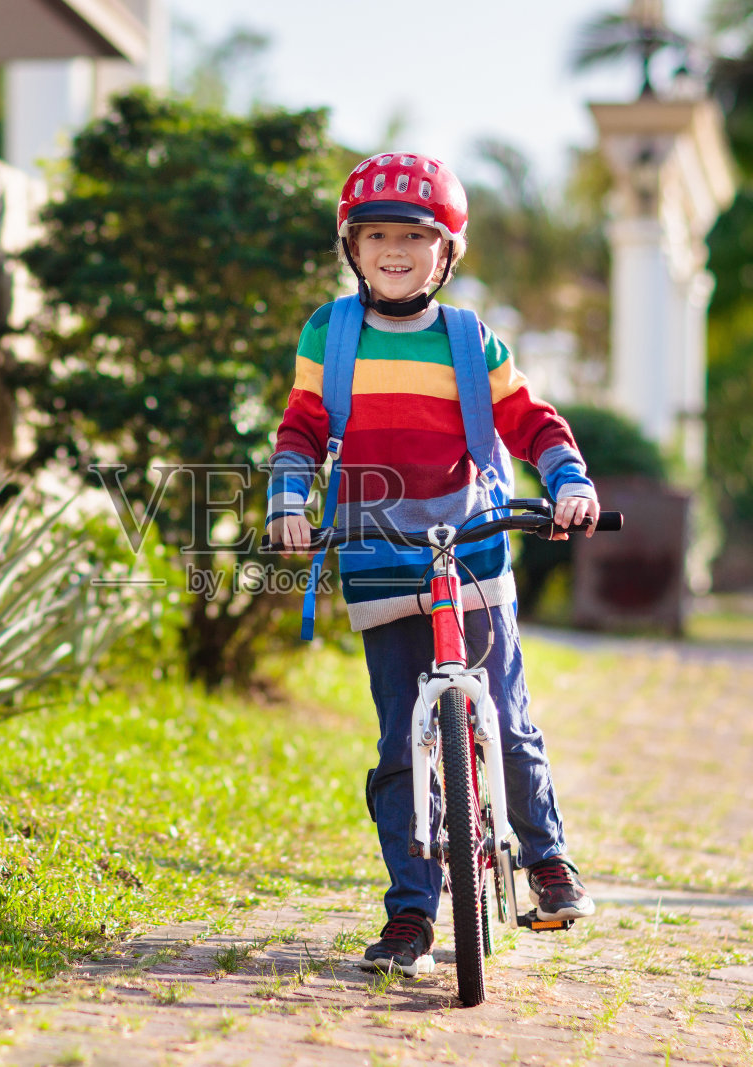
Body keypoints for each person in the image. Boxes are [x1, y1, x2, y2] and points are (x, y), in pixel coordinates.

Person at [265, 152, 600, 977]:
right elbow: (303, 428)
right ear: (352, 245)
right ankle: (412, 912)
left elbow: (532, 420)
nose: (393, 250)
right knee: (396, 744)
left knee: (510, 717)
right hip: (377, 549)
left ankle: (547, 858)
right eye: (375, 234)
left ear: (446, 251)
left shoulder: (469, 339)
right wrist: (287, 502)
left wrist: (568, 480)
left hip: (470, 544)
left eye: (414, 237)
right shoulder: (330, 332)